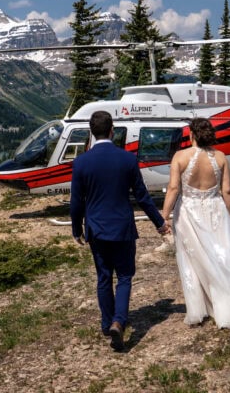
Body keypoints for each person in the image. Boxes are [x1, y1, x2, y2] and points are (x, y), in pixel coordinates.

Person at [70, 110, 169, 352]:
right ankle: (119, 322)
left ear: (92, 133)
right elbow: (142, 196)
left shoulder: (81, 162)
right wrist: (160, 222)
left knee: (104, 277)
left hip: (96, 229)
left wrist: (76, 229)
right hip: (123, 228)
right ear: (112, 131)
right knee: (124, 277)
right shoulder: (127, 159)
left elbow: (76, 201)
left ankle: (107, 324)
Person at [161, 117, 230, 328]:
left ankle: (200, 309)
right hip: (216, 210)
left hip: (188, 211)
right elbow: (227, 191)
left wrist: (164, 215)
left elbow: (173, 189)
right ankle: (226, 304)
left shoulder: (180, 156)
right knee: (221, 256)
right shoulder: (221, 157)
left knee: (193, 260)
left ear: (192, 134)